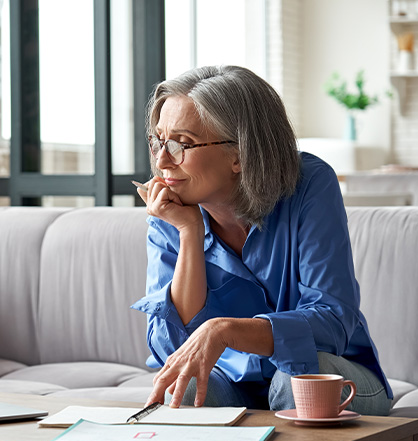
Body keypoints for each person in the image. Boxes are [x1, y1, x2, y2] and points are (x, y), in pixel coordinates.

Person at [131, 65, 392, 415]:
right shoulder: (171, 210)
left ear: (239, 154)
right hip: (233, 382)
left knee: (295, 380)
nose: (162, 160)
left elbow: (332, 321)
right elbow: (172, 348)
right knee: (187, 387)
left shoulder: (310, 185)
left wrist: (225, 331)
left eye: (182, 144)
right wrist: (189, 233)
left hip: (332, 373)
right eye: (158, 140)